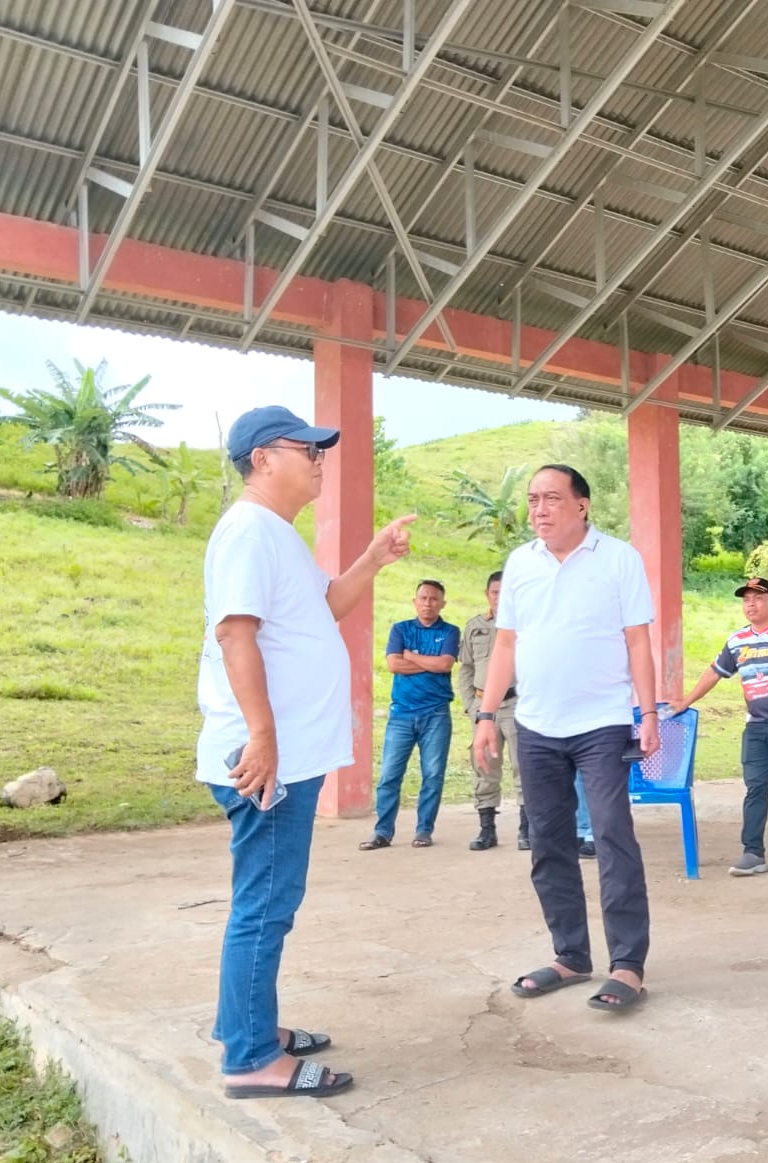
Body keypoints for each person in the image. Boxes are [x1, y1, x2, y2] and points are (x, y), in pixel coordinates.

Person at [197, 404, 414, 1099]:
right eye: (307, 449)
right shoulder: (248, 533)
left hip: (283, 757)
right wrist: (263, 737)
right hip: (269, 763)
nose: (320, 459)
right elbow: (236, 636)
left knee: (263, 901)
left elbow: (325, 607)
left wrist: (374, 558)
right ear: (262, 459)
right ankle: (252, 1059)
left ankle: (248, 1026)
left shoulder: (276, 535)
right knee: (266, 905)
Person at [473, 464, 659, 1013]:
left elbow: (638, 642)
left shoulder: (618, 558)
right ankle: (571, 955)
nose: (538, 509)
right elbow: (505, 645)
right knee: (547, 842)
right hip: (535, 725)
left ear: (582, 505)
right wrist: (486, 714)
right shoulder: (520, 564)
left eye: (551, 498)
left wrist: (646, 712)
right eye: (532, 499)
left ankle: (627, 964)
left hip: (601, 722)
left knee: (611, 835)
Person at [674, 576, 768, 876]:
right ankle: (752, 853)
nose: (751, 604)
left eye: (758, 597)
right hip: (755, 728)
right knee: (755, 788)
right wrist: (686, 700)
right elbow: (715, 673)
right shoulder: (737, 641)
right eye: (746, 599)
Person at [360, 580, 459, 850]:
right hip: (401, 714)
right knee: (389, 776)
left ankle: (424, 830)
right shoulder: (400, 629)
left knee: (433, 774)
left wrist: (411, 657)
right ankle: (382, 832)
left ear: (442, 604)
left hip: (436, 714)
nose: (428, 603)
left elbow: (445, 664)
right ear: (415, 601)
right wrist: (428, 663)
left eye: (434, 599)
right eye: (423, 598)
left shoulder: (450, 631)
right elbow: (393, 664)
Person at [459, 571, 524, 851]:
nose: (499, 597)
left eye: (504, 591)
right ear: (488, 594)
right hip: (484, 708)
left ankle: (527, 829)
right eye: (494, 592)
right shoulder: (475, 626)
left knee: (524, 766)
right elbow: (466, 668)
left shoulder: (525, 624)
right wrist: (470, 705)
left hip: (516, 704)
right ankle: (487, 829)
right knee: (484, 767)